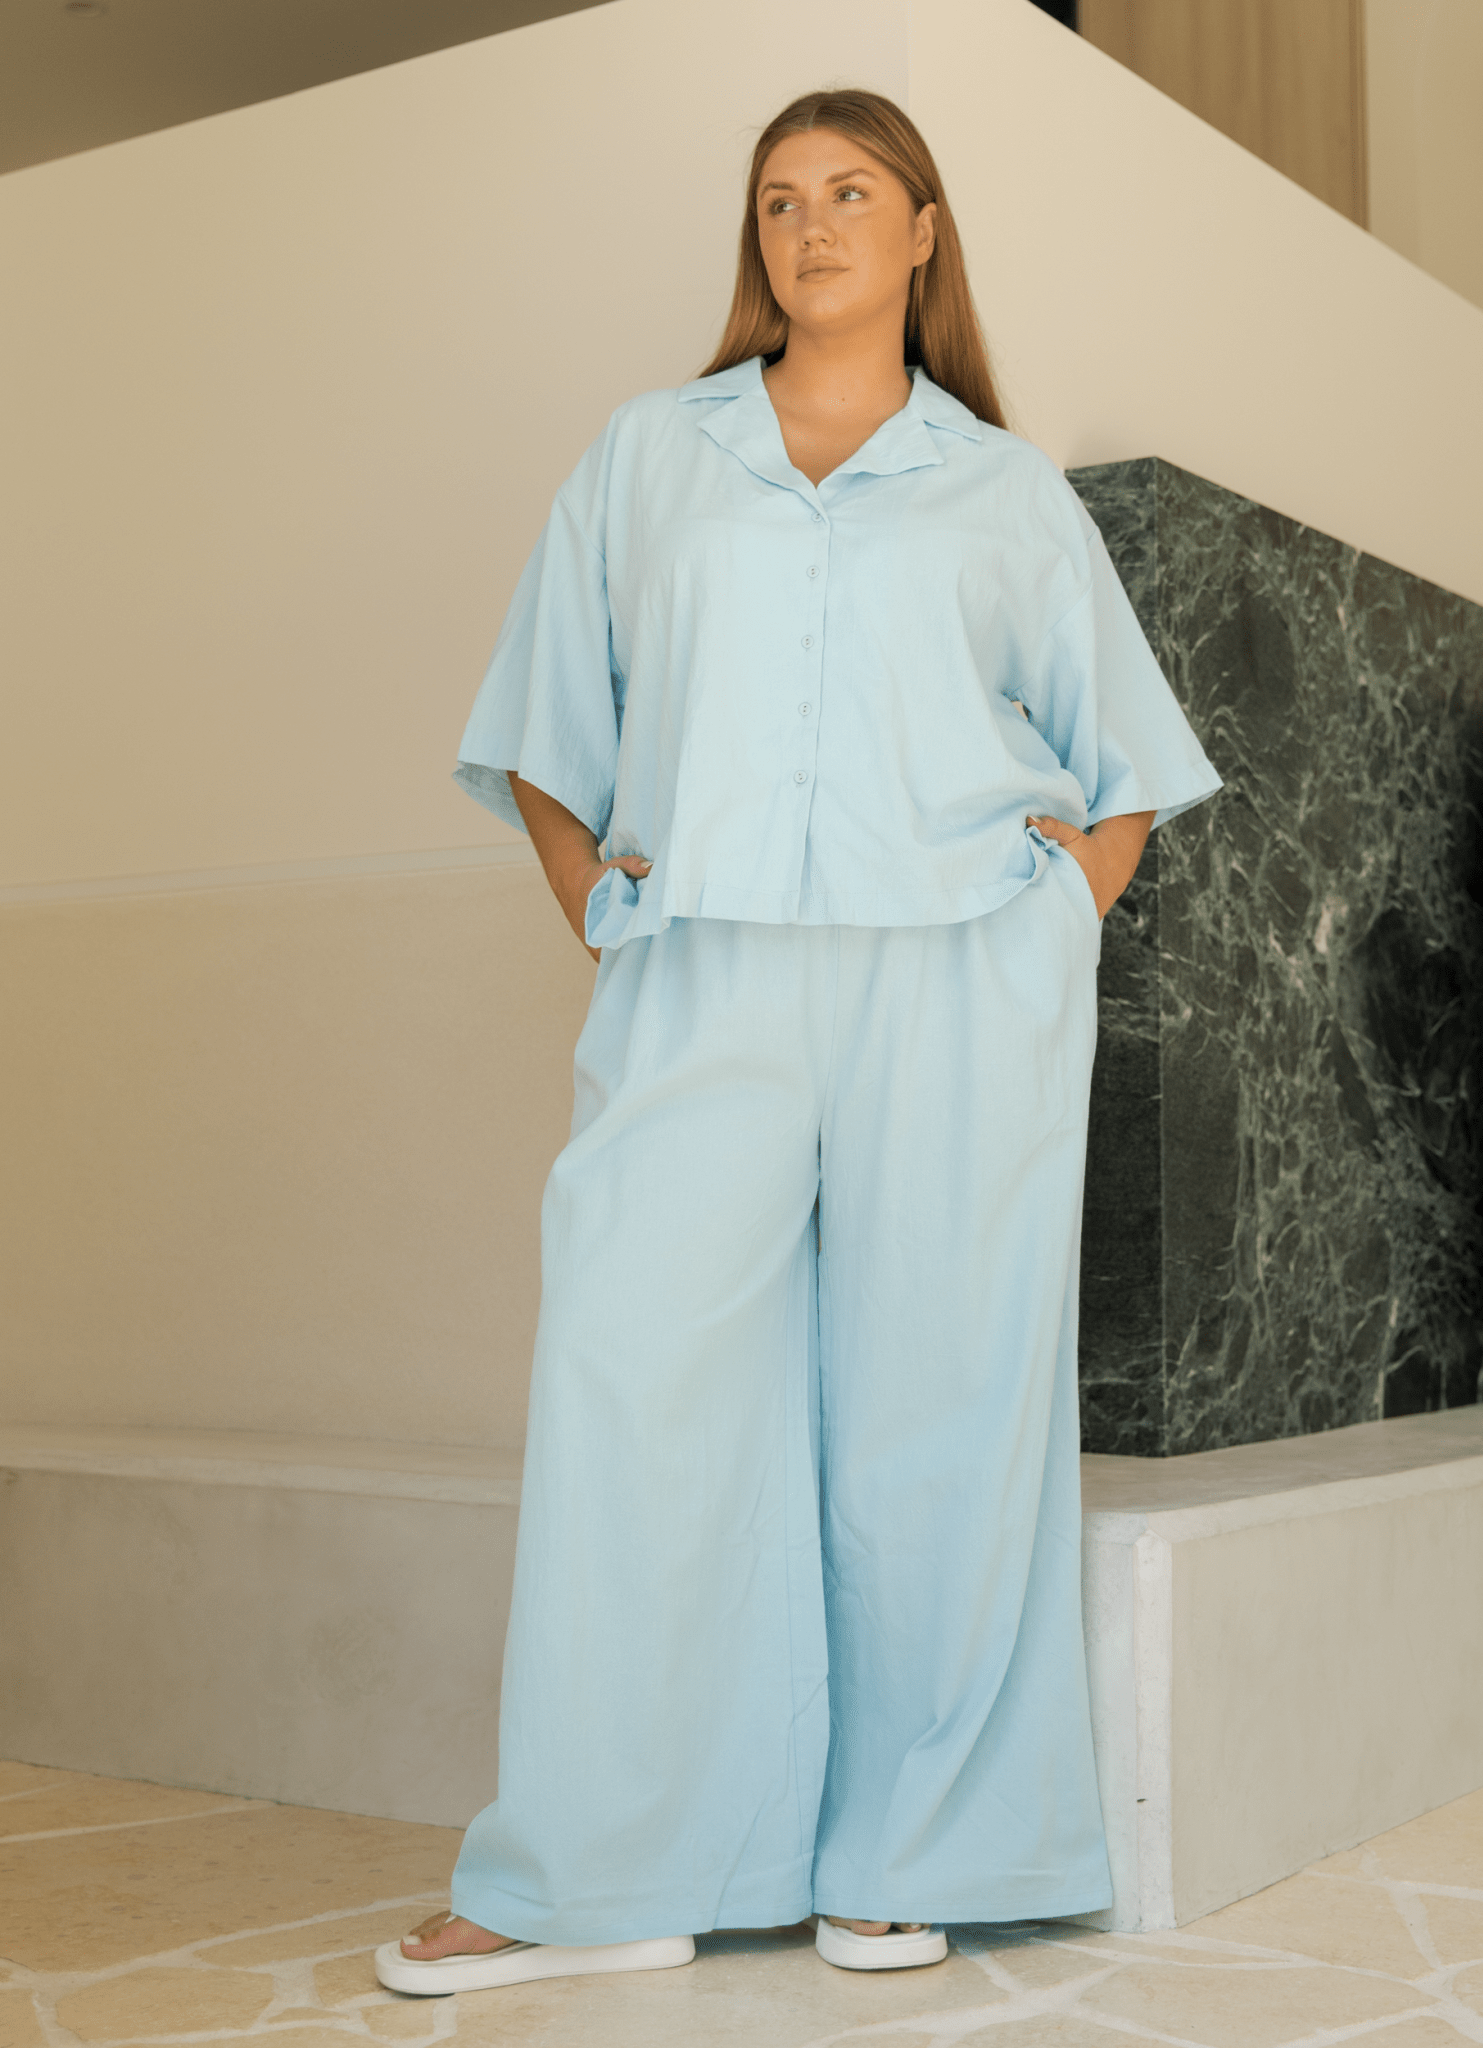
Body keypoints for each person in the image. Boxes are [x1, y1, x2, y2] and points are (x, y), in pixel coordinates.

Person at [375, 86, 1219, 1996]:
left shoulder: (1002, 488)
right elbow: (544, 720)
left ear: (922, 231)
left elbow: (1125, 764)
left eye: (850, 191)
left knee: (946, 1400)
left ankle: (912, 1852)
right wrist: (596, 904)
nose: (810, 223)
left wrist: (1057, 917)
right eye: (777, 197)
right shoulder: (648, 455)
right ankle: (592, 1869)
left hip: (958, 983)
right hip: (706, 968)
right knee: (633, 1386)